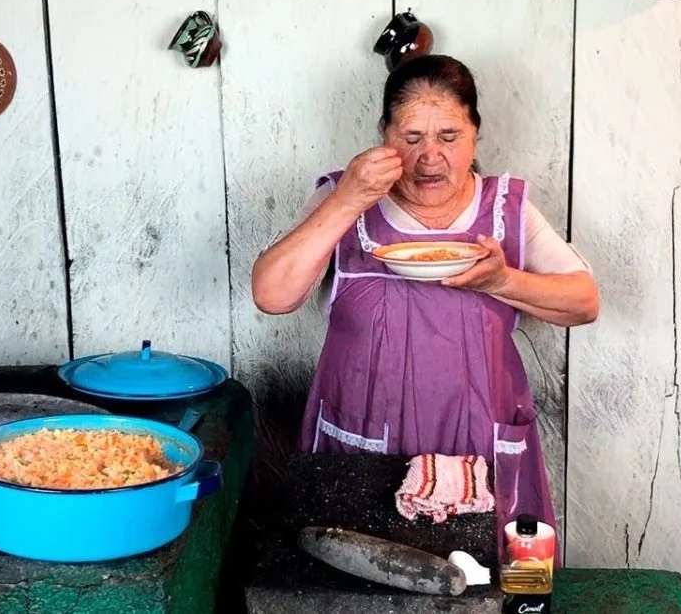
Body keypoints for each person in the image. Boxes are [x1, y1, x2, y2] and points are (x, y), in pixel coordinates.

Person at [250, 54, 598, 545]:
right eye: (411, 138)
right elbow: (272, 294)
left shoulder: (506, 207)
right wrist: (349, 197)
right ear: (384, 135)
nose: (430, 157)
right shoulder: (343, 197)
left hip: (478, 453)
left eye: (449, 137)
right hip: (362, 454)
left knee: (480, 583)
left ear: (475, 133)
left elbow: (584, 302)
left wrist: (501, 282)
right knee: (355, 584)